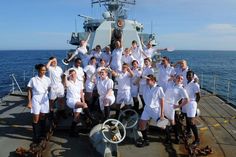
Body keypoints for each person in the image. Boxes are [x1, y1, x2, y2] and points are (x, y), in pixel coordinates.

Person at [63, 69, 96, 137]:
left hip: (78, 100)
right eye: (71, 74)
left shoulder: (79, 82)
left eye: (74, 74)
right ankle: (92, 120)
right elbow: (65, 83)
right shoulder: (68, 82)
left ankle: (72, 132)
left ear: (76, 74)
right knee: (84, 105)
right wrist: (66, 75)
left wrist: (83, 102)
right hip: (71, 100)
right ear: (69, 75)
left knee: (76, 117)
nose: (73, 75)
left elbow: (81, 93)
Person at [136, 74, 165, 147]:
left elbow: (162, 101)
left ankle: (168, 137)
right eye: (147, 80)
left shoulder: (159, 88)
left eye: (149, 80)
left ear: (153, 80)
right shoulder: (145, 86)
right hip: (147, 109)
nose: (147, 81)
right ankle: (146, 140)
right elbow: (135, 83)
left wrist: (162, 113)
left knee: (162, 126)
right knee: (142, 124)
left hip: (155, 110)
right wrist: (141, 77)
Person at [27, 64, 51, 143]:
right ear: (38, 70)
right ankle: (36, 135)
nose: (44, 72)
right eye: (42, 70)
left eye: (45, 70)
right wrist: (29, 102)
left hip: (44, 99)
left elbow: (50, 89)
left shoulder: (47, 79)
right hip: (36, 98)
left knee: (43, 116)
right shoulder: (33, 79)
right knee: (36, 118)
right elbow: (29, 91)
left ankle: (42, 133)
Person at [164, 75, 189, 144]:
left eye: (181, 79)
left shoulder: (181, 89)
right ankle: (168, 137)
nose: (179, 79)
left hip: (172, 106)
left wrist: (178, 106)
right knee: (164, 121)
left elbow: (187, 100)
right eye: (178, 78)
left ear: (182, 81)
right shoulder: (171, 84)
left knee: (172, 123)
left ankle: (177, 137)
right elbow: (168, 80)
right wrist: (172, 78)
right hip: (165, 105)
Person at [182, 70, 201, 146]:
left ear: (193, 76)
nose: (189, 76)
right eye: (188, 75)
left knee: (192, 122)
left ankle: (197, 140)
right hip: (186, 102)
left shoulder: (195, 84)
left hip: (191, 103)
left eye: (190, 75)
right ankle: (188, 132)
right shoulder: (186, 83)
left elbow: (198, 96)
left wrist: (195, 103)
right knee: (187, 117)